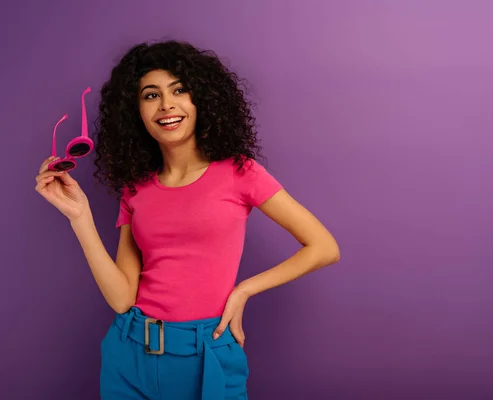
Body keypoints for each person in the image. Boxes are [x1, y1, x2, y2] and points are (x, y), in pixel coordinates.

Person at [34, 40, 340, 399]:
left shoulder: (240, 172)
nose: (166, 104)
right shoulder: (135, 189)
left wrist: (244, 290)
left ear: (200, 100)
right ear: (136, 112)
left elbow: (324, 247)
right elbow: (121, 298)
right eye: (151, 95)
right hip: (129, 352)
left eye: (179, 90)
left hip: (206, 354)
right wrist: (80, 216)